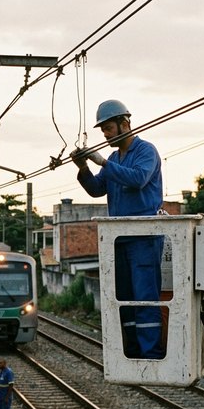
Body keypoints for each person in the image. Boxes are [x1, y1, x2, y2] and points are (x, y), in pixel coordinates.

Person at [71, 99, 165, 359]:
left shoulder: (146, 151)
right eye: (103, 130)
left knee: (145, 296)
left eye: (109, 128)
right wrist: (83, 167)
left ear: (125, 124)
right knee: (124, 298)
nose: (106, 134)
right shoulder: (114, 157)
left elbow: (138, 179)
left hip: (144, 237)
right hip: (120, 238)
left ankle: (151, 353)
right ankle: (132, 351)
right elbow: (96, 189)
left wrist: (102, 163)